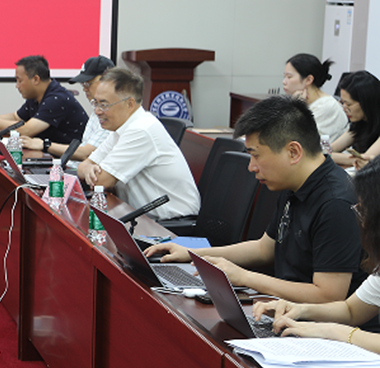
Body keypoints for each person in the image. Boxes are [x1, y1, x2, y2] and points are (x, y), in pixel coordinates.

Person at [148, 95, 368, 303]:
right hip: (287, 309)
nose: (251, 167)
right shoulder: (295, 183)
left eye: (256, 155)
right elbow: (264, 249)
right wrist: (193, 254)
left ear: (293, 152)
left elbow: (329, 295)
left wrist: (245, 277)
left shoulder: (336, 203)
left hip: (321, 324)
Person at [253, 159, 380, 346]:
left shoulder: (334, 201)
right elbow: (351, 310)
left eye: (364, 211)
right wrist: (299, 309)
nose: (362, 222)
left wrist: (336, 331)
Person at [77, 66, 199, 220]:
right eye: (96, 103)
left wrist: (90, 170)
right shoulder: (121, 128)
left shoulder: (141, 130)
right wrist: (89, 168)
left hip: (172, 224)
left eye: (104, 105)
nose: (97, 111)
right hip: (143, 218)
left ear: (129, 104)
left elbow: (101, 181)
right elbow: (83, 166)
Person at [20, 55, 114, 161]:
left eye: (88, 83)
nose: (85, 89)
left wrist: (45, 145)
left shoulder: (111, 115)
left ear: (108, 81)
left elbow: (86, 154)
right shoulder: (96, 111)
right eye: (83, 84)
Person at [0, 55, 88, 150]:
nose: (17, 86)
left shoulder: (56, 99)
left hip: (71, 159)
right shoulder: (36, 96)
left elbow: (25, 130)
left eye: (20, 81)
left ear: (36, 79)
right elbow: (16, 117)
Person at [282, 53, 347, 144]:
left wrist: (297, 107)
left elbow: (298, 141)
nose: (284, 82)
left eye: (289, 77)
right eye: (284, 77)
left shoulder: (326, 106)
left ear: (309, 80)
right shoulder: (302, 102)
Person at [330, 70, 380, 169]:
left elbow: (365, 162)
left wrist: (358, 160)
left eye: (348, 104)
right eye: (342, 103)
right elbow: (327, 151)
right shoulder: (360, 123)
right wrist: (354, 160)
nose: (344, 109)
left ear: (366, 102)